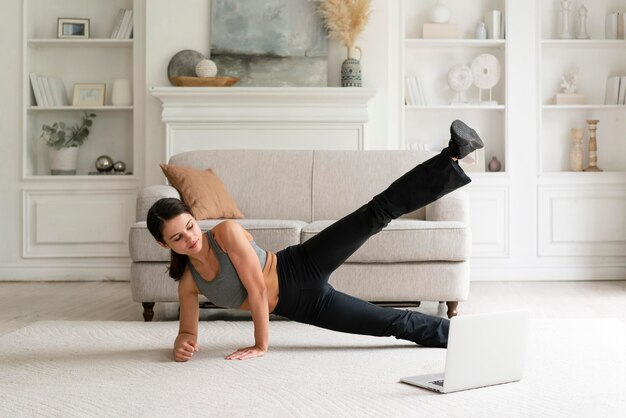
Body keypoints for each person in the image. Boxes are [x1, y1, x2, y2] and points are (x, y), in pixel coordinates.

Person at [147, 120, 484, 362]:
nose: (190, 238)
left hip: (300, 263)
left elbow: (259, 291)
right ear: (165, 245)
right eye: (177, 237)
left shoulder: (225, 233)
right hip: (304, 305)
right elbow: (188, 332)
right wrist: (182, 344)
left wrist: (260, 345)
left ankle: (451, 157)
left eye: (190, 226)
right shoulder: (188, 283)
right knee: (388, 323)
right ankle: (466, 337)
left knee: (375, 212)